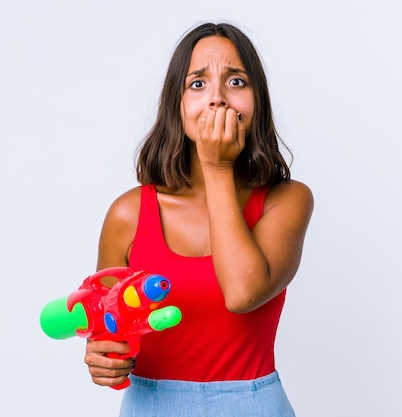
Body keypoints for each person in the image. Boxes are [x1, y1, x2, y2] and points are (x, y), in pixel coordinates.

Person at [84, 22, 313, 417]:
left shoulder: (287, 199)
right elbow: (109, 331)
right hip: (150, 406)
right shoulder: (128, 214)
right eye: (197, 84)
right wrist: (105, 360)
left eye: (236, 81)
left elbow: (242, 293)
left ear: (257, 101)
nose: (217, 99)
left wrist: (217, 168)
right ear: (177, 104)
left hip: (254, 405)